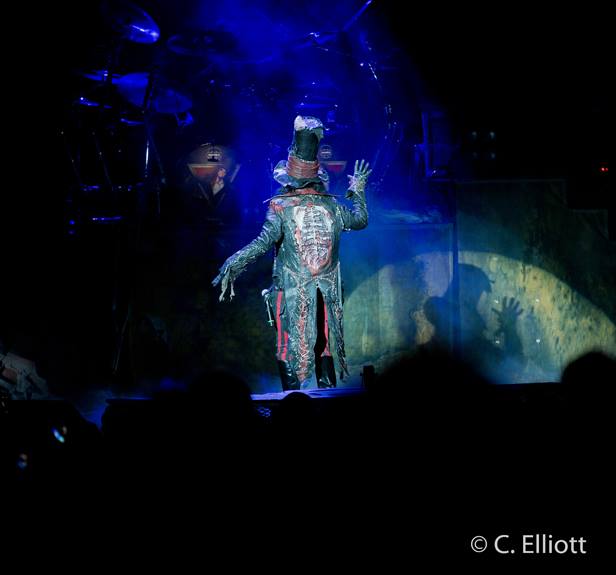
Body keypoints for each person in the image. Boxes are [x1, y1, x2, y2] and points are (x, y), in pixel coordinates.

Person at [212, 115, 371, 390]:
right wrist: (357, 189)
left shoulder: (281, 206)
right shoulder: (331, 206)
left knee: (287, 345)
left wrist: (234, 261)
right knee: (323, 344)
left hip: (293, 289)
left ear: (288, 179)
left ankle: (293, 402)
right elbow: (360, 220)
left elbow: (263, 243)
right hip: (324, 291)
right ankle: (326, 399)